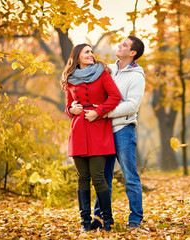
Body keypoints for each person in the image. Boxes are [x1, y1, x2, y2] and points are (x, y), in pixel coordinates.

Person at [61, 43, 121, 232]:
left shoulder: (102, 73)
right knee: (82, 177)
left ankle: (108, 221)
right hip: (78, 131)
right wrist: (72, 110)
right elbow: (69, 107)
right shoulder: (70, 79)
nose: (91, 54)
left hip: (98, 129)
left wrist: (98, 111)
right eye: (87, 52)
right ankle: (85, 223)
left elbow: (115, 96)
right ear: (77, 55)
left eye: (91, 52)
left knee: (98, 177)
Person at [90, 36, 145, 229]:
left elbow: (132, 105)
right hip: (103, 130)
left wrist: (104, 113)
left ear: (132, 53)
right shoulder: (109, 70)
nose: (119, 46)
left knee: (130, 175)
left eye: (124, 45)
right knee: (103, 177)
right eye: (121, 43)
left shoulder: (137, 76)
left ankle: (136, 218)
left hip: (123, 130)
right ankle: (101, 217)